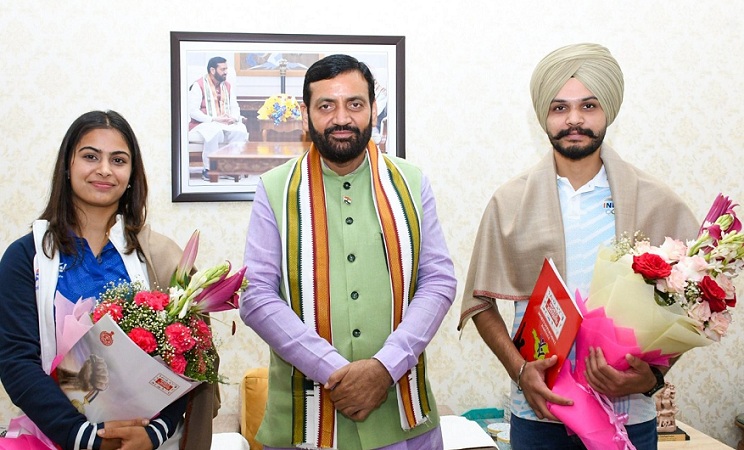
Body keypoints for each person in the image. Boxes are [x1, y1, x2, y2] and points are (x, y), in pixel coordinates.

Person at [458, 43, 699, 450]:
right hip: (538, 413)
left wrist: (654, 376)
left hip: (629, 415)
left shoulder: (656, 202)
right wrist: (520, 371)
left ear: (607, 111)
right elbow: (479, 302)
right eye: (559, 108)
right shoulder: (510, 203)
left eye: (588, 106)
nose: (573, 119)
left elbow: (692, 305)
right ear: (544, 118)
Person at [240, 54, 457, 450]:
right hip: (302, 424)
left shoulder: (411, 183)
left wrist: (383, 368)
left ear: (373, 108)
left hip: (402, 420)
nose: (341, 118)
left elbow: (439, 281)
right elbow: (255, 297)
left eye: (354, 104)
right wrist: (338, 372)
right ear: (306, 115)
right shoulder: (273, 189)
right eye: (326, 106)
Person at [0, 110, 219, 450]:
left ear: (131, 174)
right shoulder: (24, 258)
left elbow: (186, 356)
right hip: (53, 436)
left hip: (147, 440)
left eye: (118, 160)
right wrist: (85, 438)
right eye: (90, 156)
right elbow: (16, 361)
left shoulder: (159, 256)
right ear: (67, 166)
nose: (104, 169)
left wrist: (154, 433)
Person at [188, 56, 249, 181]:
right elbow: (193, 111)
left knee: (241, 130)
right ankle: (209, 169)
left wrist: (234, 118)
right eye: (223, 69)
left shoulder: (227, 86)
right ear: (212, 70)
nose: (226, 72)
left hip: (225, 122)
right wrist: (214, 119)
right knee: (214, 130)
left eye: (226, 69)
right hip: (204, 124)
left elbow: (234, 106)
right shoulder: (198, 85)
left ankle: (230, 168)